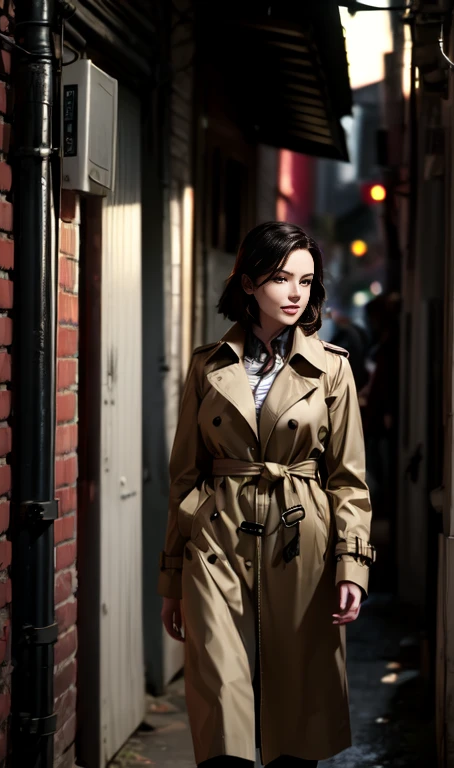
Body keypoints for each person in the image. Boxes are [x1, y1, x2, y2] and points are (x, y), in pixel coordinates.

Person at [158, 222, 376, 768]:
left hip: (301, 543)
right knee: (221, 706)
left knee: (295, 713)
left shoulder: (333, 369)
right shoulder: (208, 366)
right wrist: (171, 579)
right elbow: (184, 473)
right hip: (215, 544)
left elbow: (349, 480)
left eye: (306, 280)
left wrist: (352, 566)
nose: (296, 293)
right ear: (250, 283)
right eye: (281, 278)